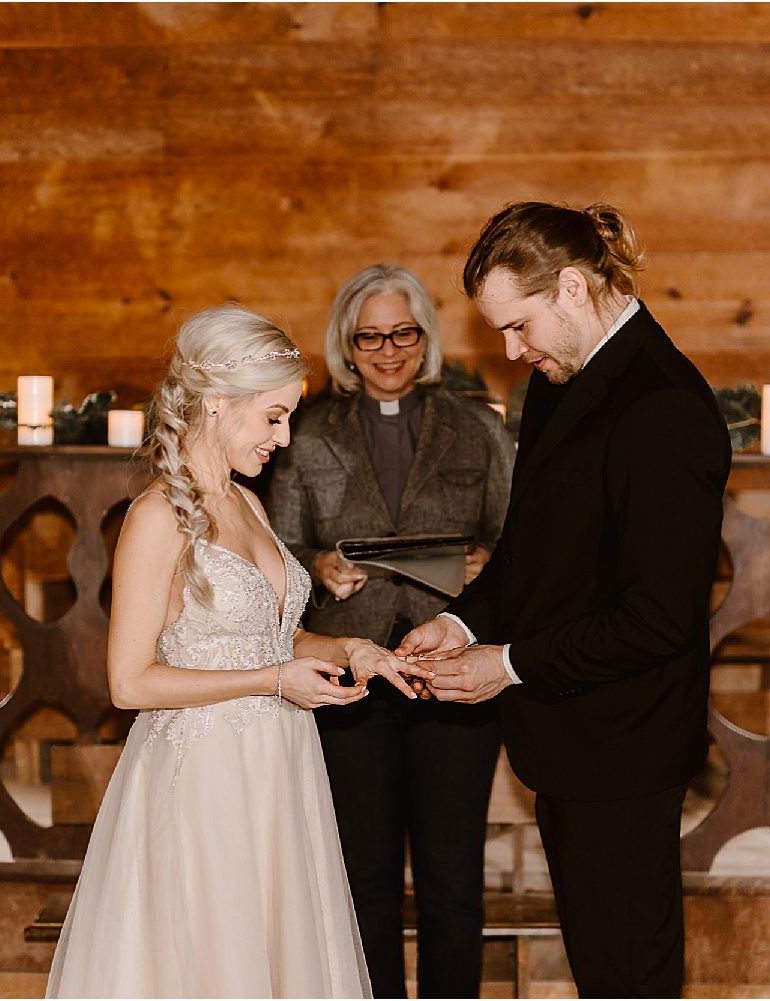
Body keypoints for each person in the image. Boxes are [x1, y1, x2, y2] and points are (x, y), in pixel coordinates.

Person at [45, 304, 433, 999]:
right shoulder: (157, 516)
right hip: (205, 779)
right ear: (218, 404)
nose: (282, 439)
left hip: (279, 766)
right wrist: (275, 679)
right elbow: (129, 681)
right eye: (274, 416)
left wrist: (350, 647)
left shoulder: (249, 505)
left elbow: (274, 636)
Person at [396, 203, 732, 998]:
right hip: (567, 734)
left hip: (625, 743)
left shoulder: (664, 406)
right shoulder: (558, 382)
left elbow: (660, 618)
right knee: (598, 966)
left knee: (628, 975)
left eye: (520, 325)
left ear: (575, 287)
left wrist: (505, 665)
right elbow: (530, 552)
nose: (512, 351)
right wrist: (460, 620)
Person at [264, 264, 515, 999]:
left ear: (425, 336)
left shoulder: (476, 425)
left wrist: (486, 560)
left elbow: (519, 539)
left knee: (451, 881)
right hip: (353, 678)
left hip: (453, 673)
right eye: (369, 335)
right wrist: (318, 564)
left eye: (402, 332)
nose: (387, 350)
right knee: (363, 880)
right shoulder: (308, 432)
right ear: (347, 342)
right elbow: (276, 553)